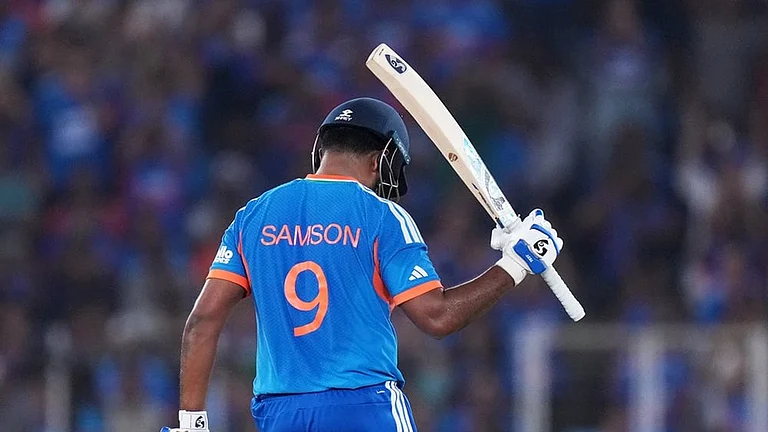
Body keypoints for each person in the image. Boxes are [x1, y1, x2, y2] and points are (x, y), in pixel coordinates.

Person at [161, 97, 564, 432]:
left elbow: (203, 322)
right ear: (379, 161)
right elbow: (437, 317)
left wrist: (191, 424)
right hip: (363, 407)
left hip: (280, 412)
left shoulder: (254, 216)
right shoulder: (382, 216)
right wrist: (516, 264)